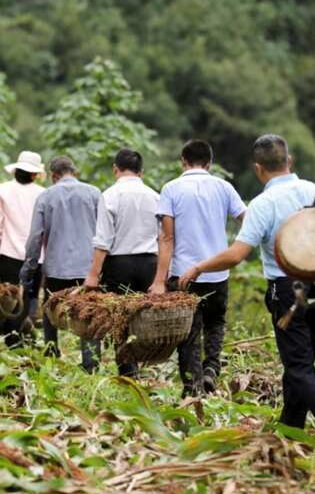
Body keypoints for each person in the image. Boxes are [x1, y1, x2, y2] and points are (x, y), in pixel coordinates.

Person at [178, 135, 315, 428]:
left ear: (258, 169)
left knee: (298, 366)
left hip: (287, 290)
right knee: (300, 363)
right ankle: (290, 426)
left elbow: (237, 254)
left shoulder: (264, 203)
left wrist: (198, 268)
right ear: (289, 161)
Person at [149, 140, 247, 396]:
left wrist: (160, 280)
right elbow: (247, 221)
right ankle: (211, 369)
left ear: (183, 160)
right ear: (210, 162)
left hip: (183, 274)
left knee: (188, 332)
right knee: (215, 322)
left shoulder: (171, 189)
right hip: (217, 272)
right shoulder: (224, 187)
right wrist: (234, 250)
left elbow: (167, 239)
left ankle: (193, 388)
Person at [20, 156, 101, 372]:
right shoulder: (94, 193)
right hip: (88, 270)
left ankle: (51, 352)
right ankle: (91, 363)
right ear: (74, 172)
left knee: (50, 309)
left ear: (54, 175)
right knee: (89, 313)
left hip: (56, 268)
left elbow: (36, 236)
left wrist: (29, 266)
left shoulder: (46, 196)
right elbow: (104, 232)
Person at [83, 148, 160, 377]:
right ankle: (144, 367)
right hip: (149, 263)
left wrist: (93, 274)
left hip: (119, 264)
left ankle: (128, 370)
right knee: (144, 318)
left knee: (120, 320)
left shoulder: (109, 195)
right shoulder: (155, 196)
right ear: (141, 172)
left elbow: (103, 240)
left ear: (115, 170)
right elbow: (164, 236)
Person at [0, 151, 46, 345]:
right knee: (28, 299)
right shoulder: (42, 194)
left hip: (9, 255)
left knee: (9, 298)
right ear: (34, 174)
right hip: (35, 256)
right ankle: (14, 339)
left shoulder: (2, 190)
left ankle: (11, 338)